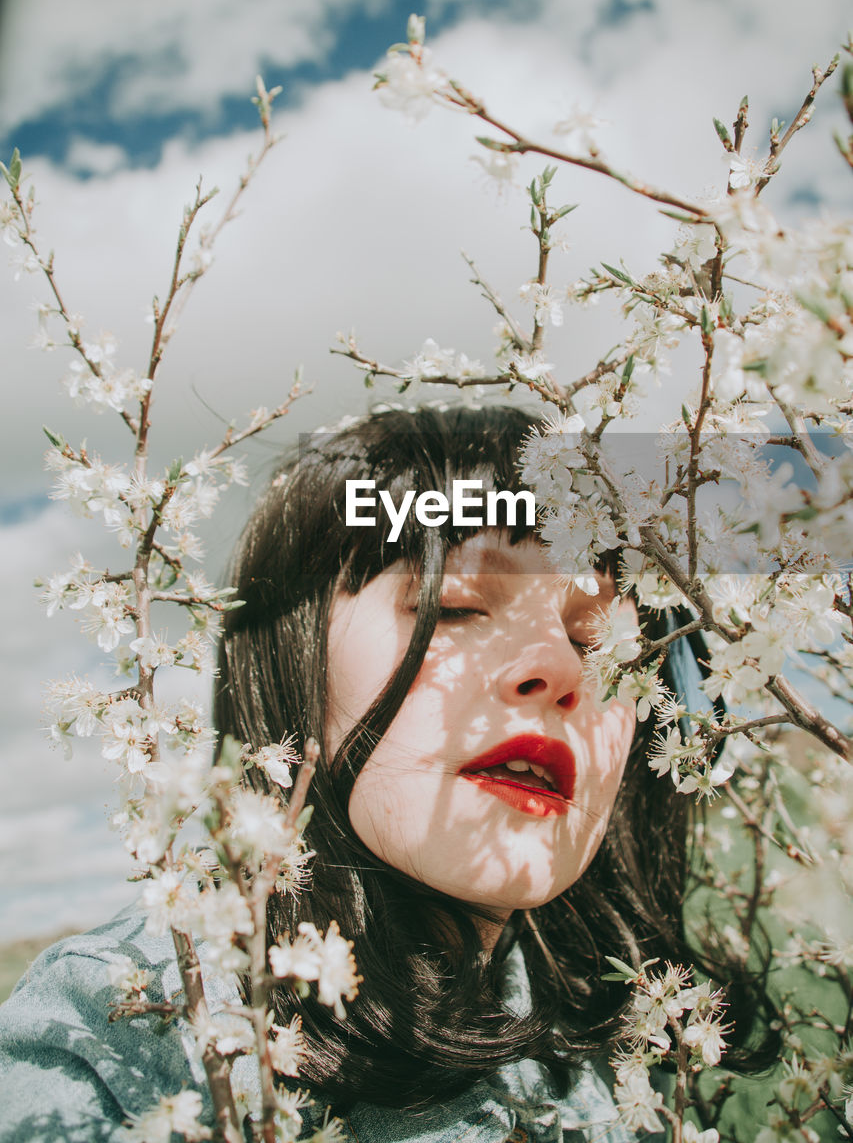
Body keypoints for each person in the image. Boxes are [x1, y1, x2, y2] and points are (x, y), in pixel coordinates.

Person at [0, 404, 770, 1142]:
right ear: (292, 657)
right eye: (456, 606)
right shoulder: (118, 1035)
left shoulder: (623, 1036)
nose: (559, 667)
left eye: (598, 640)